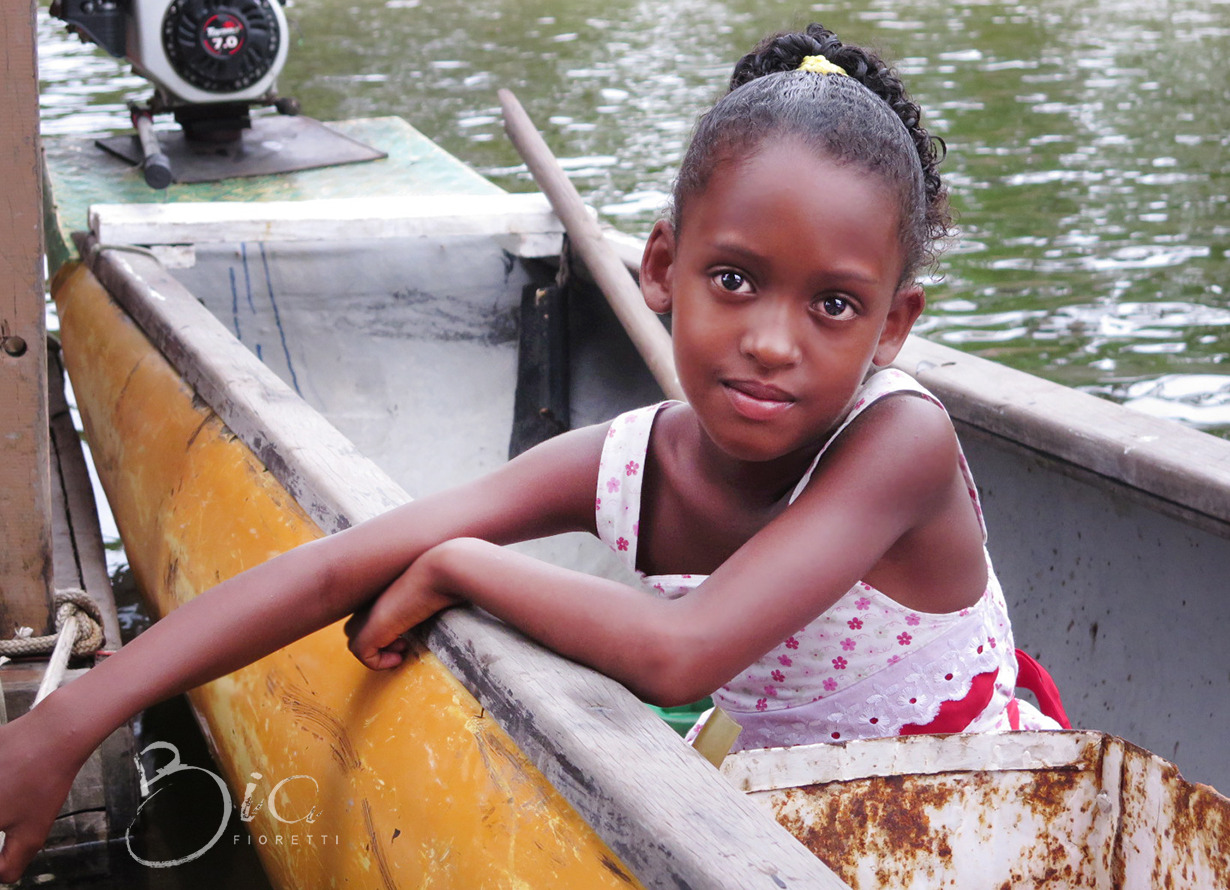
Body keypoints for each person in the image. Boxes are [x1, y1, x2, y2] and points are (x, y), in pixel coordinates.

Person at [0, 23, 1067, 880]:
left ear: (890, 327)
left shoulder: (899, 440)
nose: (772, 340)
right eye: (734, 278)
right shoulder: (633, 465)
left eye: (834, 303)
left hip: (978, 825)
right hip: (792, 823)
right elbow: (338, 564)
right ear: (662, 267)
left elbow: (680, 653)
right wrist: (74, 719)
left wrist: (466, 563)